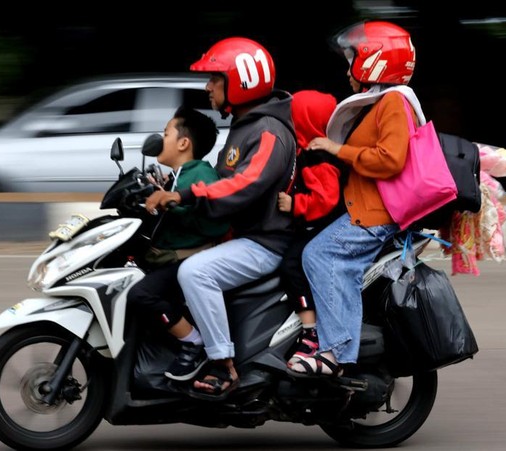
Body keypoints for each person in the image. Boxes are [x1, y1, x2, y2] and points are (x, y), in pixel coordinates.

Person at [145, 37, 296, 400]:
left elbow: (243, 184)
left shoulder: (269, 133)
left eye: (215, 79)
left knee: (195, 272)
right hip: (243, 237)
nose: (208, 87)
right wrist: (171, 184)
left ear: (242, 82)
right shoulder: (248, 126)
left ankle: (221, 363)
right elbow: (218, 178)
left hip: (264, 243)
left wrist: (184, 194)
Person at [288, 20, 417, 378]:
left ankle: (334, 352)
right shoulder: (379, 101)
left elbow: (391, 159)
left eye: (352, 62)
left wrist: (337, 149)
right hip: (364, 207)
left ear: (374, 62)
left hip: (375, 213)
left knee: (322, 256)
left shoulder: (393, 102)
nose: (348, 71)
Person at [126, 106, 230, 381]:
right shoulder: (178, 176)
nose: (161, 138)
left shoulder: (201, 174)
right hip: (170, 257)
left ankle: (193, 342)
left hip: (186, 259)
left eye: (166, 133)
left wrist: (175, 204)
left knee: (140, 295)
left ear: (183, 143)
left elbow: (212, 209)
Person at [276, 90, 346, 368]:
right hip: (317, 224)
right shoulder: (309, 151)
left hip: (322, 227)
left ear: (304, 122)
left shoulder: (317, 155)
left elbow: (325, 199)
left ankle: (311, 332)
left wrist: (295, 204)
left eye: (292, 119)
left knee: (292, 264)